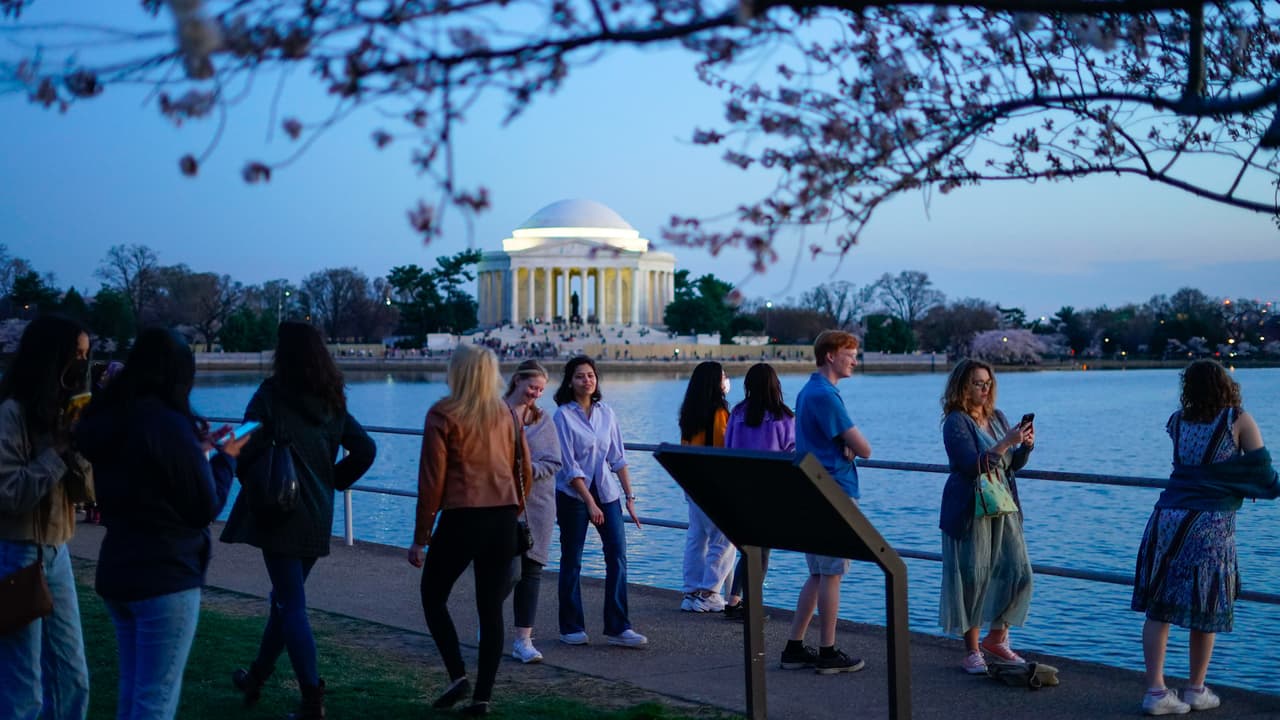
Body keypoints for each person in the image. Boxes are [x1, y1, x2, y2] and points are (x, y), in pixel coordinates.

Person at [75, 328, 250, 720]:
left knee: (132, 693)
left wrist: (198, 450)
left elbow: (146, 472)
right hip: (165, 575)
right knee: (154, 701)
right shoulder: (168, 424)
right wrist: (227, 458)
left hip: (119, 569)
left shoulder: (116, 420)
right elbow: (205, 507)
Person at [221, 321, 376, 719]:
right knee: (285, 599)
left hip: (279, 512)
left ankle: (311, 698)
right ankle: (257, 676)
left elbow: (241, 444)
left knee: (290, 604)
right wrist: (332, 482)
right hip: (316, 514)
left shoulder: (271, 396)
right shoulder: (332, 401)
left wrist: (237, 467)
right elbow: (366, 449)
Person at [1131, 360, 1278, 716]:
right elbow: (1262, 473)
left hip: (1167, 518)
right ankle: (1196, 688)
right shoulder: (1237, 419)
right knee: (1205, 603)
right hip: (1209, 522)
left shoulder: (1177, 421)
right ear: (1226, 384)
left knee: (1158, 606)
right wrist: (1246, 486)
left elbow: (1196, 469)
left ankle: (1156, 692)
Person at [407, 344, 532, 717]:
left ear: (456, 372)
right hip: (502, 517)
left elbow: (431, 481)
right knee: (490, 608)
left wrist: (421, 538)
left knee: (433, 595)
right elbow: (524, 469)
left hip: (463, 516)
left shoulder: (443, 413)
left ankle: (457, 674)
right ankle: (482, 698)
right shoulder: (507, 413)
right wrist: (514, 508)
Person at [0, 314, 93, 720]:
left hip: (58, 551)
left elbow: (86, 494)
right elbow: (9, 493)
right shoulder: (11, 414)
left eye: (86, 355)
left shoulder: (62, 412)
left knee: (72, 679)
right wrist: (55, 451)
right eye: (76, 355)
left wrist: (78, 448)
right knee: (24, 690)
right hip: (16, 554)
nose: (82, 365)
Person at [781, 330, 871, 675]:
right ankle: (828, 651)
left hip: (812, 489)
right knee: (832, 574)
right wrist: (851, 447)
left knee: (818, 573)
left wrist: (845, 445)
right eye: (850, 354)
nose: (855, 361)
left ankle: (794, 647)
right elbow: (865, 448)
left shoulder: (808, 391)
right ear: (830, 355)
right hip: (833, 492)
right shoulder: (825, 395)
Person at [938, 359, 1036, 676]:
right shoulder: (956, 422)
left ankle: (996, 639)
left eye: (988, 383)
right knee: (973, 577)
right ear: (963, 387)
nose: (985, 388)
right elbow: (971, 465)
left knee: (1018, 572)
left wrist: (1024, 447)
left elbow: (1010, 465)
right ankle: (972, 651)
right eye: (978, 383)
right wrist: (1006, 442)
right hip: (970, 508)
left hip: (1002, 505)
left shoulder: (997, 418)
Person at [552, 356, 648, 648]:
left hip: (606, 492)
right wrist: (589, 503)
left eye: (591, 375)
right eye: (580, 376)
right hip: (574, 495)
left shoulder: (606, 412)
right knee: (572, 559)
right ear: (570, 381)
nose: (587, 381)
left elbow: (618, 458)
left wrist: (629, 497)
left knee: (617, 555)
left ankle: (618, 627)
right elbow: (569, 467)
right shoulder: (562, 416)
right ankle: (571, 627)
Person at [721, 363, 796, 621]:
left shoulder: (738, 413)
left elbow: (728, 448)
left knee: (749, 549)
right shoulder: (782, 416)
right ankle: (751, 607)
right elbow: (792, 453)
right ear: (775, 385)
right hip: (770, 492)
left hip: (740, 489)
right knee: (762, 553)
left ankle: (734, 600)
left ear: (748, 385)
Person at [504, 360, 563, 664]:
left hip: (537, 506)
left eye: (541, 390)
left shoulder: (543, 420)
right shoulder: (495, 414)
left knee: (532, 571)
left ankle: (523, 640)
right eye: (532, 388)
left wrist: (525, 471)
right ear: (517, 380)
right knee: (506, 572)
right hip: (502, 504)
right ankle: (488, 617)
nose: (536, 394)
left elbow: (554, 462)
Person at [677, 361, 735, 613]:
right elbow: (724, 446)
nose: (726, 380)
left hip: (692, 481)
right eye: (723, 376)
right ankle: (709, 592)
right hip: (713, 481)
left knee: (696, 537)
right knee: (725, 539)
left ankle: (691, 591)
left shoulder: (689, 412)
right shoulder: (718, 412)